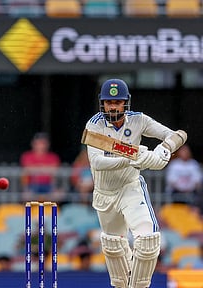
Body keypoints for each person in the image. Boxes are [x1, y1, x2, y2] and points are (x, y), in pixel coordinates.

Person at [84, 79, 187, 288]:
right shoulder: (94, 125)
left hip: (130, 188)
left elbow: (176, 135)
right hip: (105, 193)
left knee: (148, 241)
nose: (113, 106)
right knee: (113, 246)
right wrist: (130, 157)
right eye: (108, 102)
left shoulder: (139, 120)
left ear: (125, 103)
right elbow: (97, 162)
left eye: (117, 102)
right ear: (102, 104)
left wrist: (165, 149)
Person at [20, 132, 61, 200]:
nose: (40, 146)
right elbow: (27, 169)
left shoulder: (53, 157)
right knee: (26, 195)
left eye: (43, 143)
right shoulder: (27, 156)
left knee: (57, 195)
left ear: (47, 144)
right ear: (33, 144)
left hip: (49, 186)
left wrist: (37, 169)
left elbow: (54, 170)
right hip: (32, 185)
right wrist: (45, 169)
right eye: (38, 143)